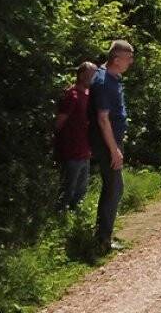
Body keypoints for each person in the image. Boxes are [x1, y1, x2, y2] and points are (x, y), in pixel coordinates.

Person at [89, 39, 134, 252]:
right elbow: (102, 119)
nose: (131, 62)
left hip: (112, 141)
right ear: (116, 59)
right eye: (128, 58)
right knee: (114, 187)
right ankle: (103, 240)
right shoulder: (104, 81)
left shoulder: (113, 78)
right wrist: (113, 149)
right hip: (108, 143)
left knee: (114, 187)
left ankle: (103, 235)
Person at [55, 62, 97, 211]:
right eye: (92, 74)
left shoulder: (88, 95)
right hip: (72, 151)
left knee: (81, 190)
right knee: (67, 190)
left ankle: (75, 219)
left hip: (85, 150)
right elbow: (59, 123)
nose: (95, 78)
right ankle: (60, 219)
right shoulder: (72, 95)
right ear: (82, 75)